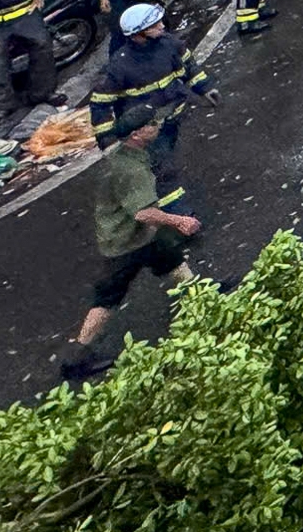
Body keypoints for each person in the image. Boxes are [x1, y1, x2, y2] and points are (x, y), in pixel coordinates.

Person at [58, 103, 200, 381]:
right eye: (151, 124)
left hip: (141, 235)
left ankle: (202, 298)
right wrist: (179, 221)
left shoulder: (127, 156)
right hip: (125, 243)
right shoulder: (131, 171)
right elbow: (142, 212)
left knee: (171, 258)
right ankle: (75, 357)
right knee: (108, 298)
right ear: (137, 133)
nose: (157, 127)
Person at [88, 3, 213, 203]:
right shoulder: (120, 66)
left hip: (173, 116)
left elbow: (189, 66)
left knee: (166, 157)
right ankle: (175, 214)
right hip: (147, 127)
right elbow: (100, 104)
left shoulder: (169, 43)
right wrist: (108, 140)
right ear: (139, 33)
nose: (162, 26)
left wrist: (205, 87)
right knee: (163, 170)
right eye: (155, 25)